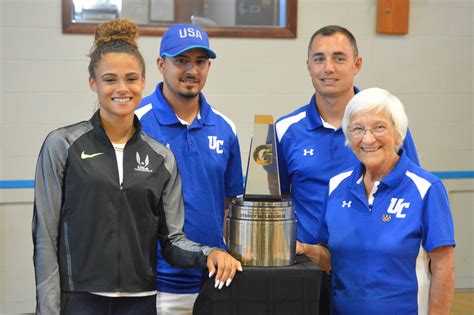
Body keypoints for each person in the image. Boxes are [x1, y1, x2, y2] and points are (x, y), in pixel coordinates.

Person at [32, 18, 242, 315]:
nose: (122, 88)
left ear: (142, 81)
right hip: (82, 299)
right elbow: (45, 238)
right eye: (109, 79)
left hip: (145, 298)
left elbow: (173, 240)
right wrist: (48, 308)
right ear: (93, 82)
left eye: (131, 78)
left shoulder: (161, 156)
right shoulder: (63, 145)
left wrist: (211, 252)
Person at [274, 25, 420, 314]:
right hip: (307, 271)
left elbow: (411, 191)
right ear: (308, 66)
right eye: (319, 58)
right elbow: (278, 197)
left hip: (371, 274)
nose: (328, 68)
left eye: (339, 58)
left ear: (357, 64)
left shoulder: (386, 127)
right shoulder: (284, 130)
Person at [298, 87, 455, 314]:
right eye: (358, 129)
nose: (368, 138)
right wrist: (305, 249)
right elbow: (332, 259)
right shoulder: (335, 187)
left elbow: (444, 268)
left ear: (398, 133)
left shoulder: (426, 189)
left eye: (379, 127)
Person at [135, 23, 244, 314]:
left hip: (214, 281)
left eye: (200, 62)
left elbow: (230, 205)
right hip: (153, 285)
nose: (191, 70)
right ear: (161, 64)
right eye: (181, 61)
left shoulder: (225, 128)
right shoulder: (135, 123)